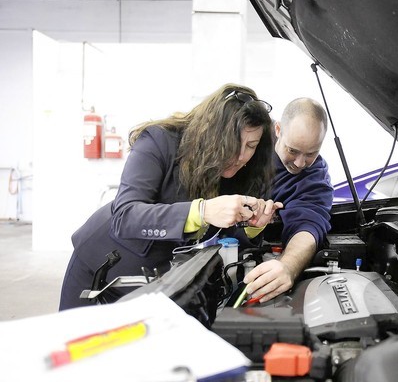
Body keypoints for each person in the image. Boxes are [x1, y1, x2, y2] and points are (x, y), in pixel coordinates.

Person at [59, 83, 283, 310]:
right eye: (233, 144)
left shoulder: (239, 171)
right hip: (102, 269)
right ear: (214, 135)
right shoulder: (157, 141)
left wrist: (251, 226)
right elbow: (125, 216)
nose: (241, 156)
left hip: (161, 281)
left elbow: (220, 235)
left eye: (251, 146)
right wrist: (202, 211)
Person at [243, 97, 333, 303]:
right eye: (292, 150)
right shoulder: (249, 142)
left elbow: (309, 224)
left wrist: (288, 266)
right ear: (277, 129)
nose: (300, 163)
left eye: (311, 153)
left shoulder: (314, 177)